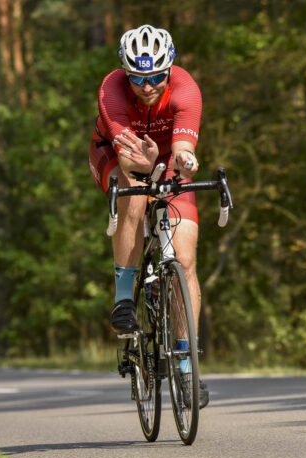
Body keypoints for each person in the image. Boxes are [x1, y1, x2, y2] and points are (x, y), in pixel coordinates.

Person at [88, 24, 209, 408]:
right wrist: (143, 160)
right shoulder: (111, 89)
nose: (147, 86)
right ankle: (124, 298)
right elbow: (129, 158)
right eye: (139, 77)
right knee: (134, 183)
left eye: (156, 76)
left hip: (166, 158)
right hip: (115, 155)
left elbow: (184, 148)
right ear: (126, 71)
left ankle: (187, 365)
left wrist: (186, 160)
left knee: (185, 259)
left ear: (169, 68)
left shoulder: (186, 88)